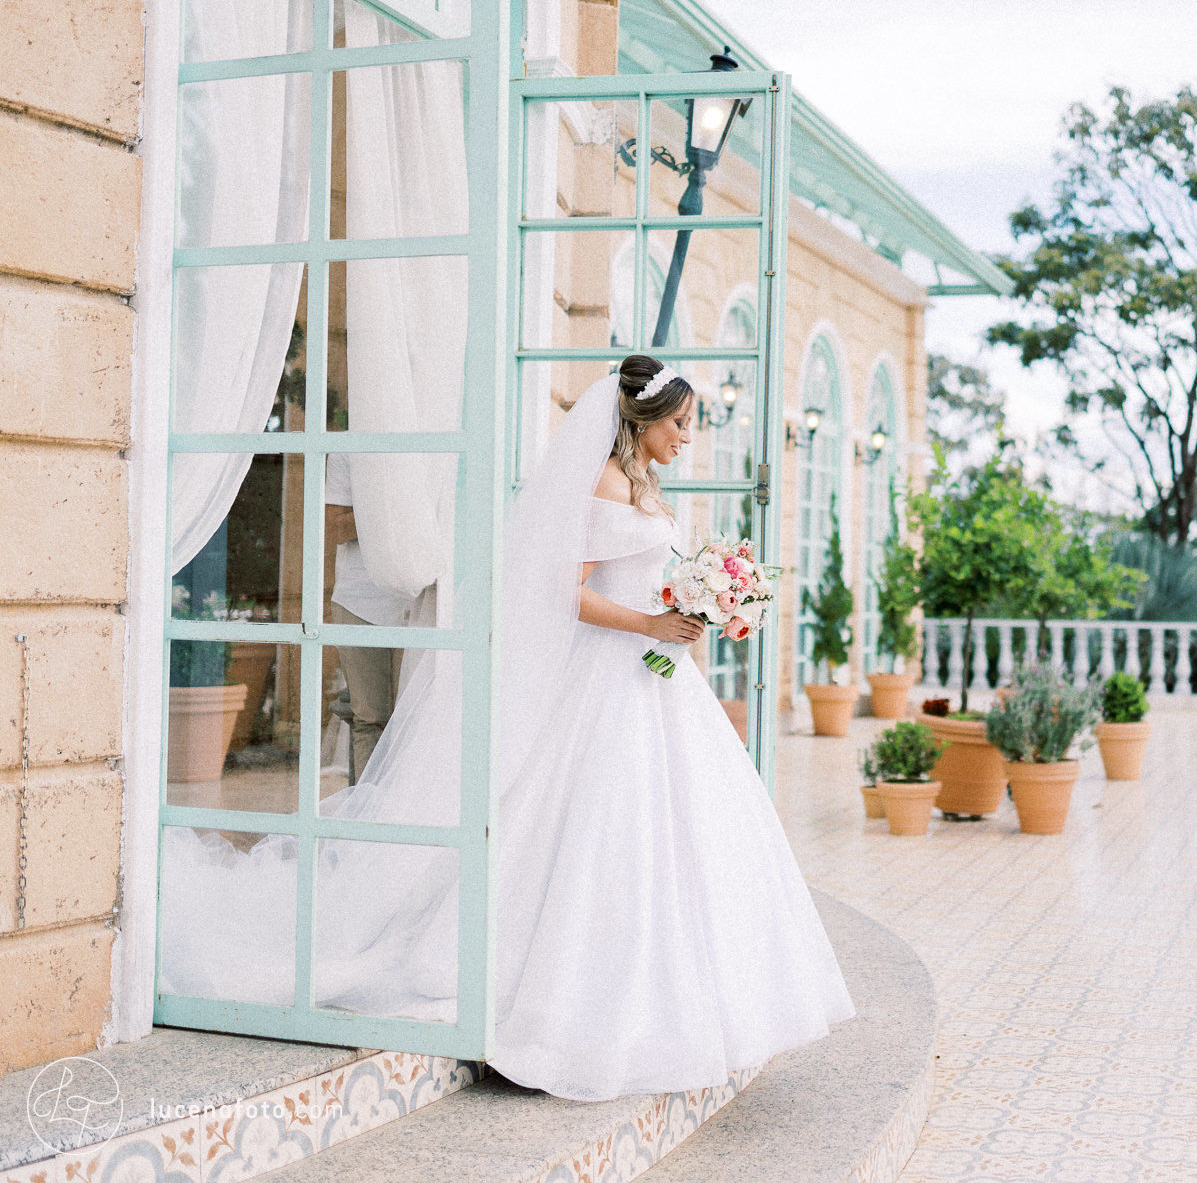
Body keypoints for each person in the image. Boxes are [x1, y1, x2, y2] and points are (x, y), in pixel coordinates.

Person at [160, 355, 855, 1100]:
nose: (689, 436)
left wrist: (702, 603)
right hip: (612, 670)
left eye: (692, 423)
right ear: (643, 421)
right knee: (587, 826)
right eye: (681, 422)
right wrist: (653, 622)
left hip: (647, 677)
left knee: (664, 832)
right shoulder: (605, 481)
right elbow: (568, 592)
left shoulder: (639, 485)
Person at [323, 455, 411, 782]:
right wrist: (391, 510)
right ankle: (367, 823)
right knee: (370, 717)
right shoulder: (348, 449)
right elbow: (335, 527)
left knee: (415, 719)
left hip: (421, 598)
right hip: (359, 600)